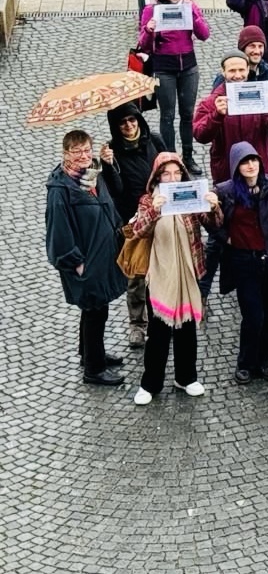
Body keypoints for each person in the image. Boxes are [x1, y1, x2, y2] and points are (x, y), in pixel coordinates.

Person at [126, 153, 221, 405]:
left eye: (176, 173)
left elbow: (213, 225)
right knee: (158, 330)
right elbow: (137, 231)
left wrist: (213, 207)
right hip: (159, 273)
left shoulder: (189, 195)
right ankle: (150, 383)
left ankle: (186, 377)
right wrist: (154, 211)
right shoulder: (148, 200)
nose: (172, 178)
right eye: (166, 174)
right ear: (158, 177)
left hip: (188, 271)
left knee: (187, 327)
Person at [47, 130, 127, 386]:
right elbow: (59, 233)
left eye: (86, 150)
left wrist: (108, 164)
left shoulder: (92, 174)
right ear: (66, 154)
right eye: (77, 151)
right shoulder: (61, 190)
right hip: (86, 261)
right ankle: (94, 369)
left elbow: (115, 194)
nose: (83, 156)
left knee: (95, 308)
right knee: (95, 311)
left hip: (102, 255)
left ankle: (89, 353)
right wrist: (77, 263)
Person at [215, 142, 268, 385]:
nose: (250, 166)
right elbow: (211, 222)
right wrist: (225, 237)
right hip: (243, 260)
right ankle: (245, 363)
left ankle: (264, 362)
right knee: (252, 315)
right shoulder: (225, 191)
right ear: (236, 166)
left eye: (254, 160)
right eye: (245, 162)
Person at [100, 103, 166, 350]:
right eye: (122, 122)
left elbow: (170, 171)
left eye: (132, 120)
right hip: (133, 219)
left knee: (162, 269)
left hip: (160, 214)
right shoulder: (112, 151)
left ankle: (162, 317)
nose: (128, 125)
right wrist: (108, 166)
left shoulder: (155, 141)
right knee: (136, 276)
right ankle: (137, 324)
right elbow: (115, 190)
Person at [137, 0, 209, 174]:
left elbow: (204, 34)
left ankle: (188, 155)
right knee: (167, 115)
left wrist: (192, 13)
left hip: (188, 67)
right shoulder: (152, 10)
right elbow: (144, 45)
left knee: (187, 114)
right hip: (164, 68)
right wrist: (149, 29)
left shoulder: (189, 6)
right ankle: (170, 157)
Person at [193, 51, 268, 184]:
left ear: (248, 69)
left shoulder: (262, 96)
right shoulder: (212, 102)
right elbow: (200, 135)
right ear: (223, 72)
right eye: (232, 71)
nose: (238, 75)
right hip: (227, 171)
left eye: (241, 70)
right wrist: (216, 115)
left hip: (258, 168)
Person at [211, 26, 268, 95]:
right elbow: (213, 99)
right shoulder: (226, 76)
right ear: (242, 48)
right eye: (252, 46)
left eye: (260, 46)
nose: (257, 51)